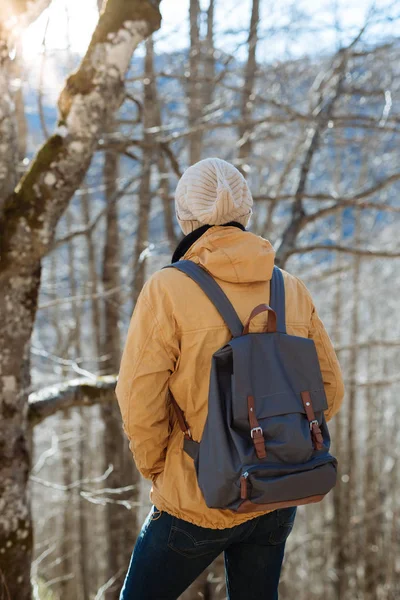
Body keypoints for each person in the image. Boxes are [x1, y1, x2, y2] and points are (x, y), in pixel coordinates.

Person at [115, 157, 345, 600]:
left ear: (186, 218)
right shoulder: (290, 288)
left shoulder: (168, 289)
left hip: (196, 495)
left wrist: (159, 469)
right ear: (246, 214)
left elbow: (138, 398)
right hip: (277, 489)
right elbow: (329, 390)